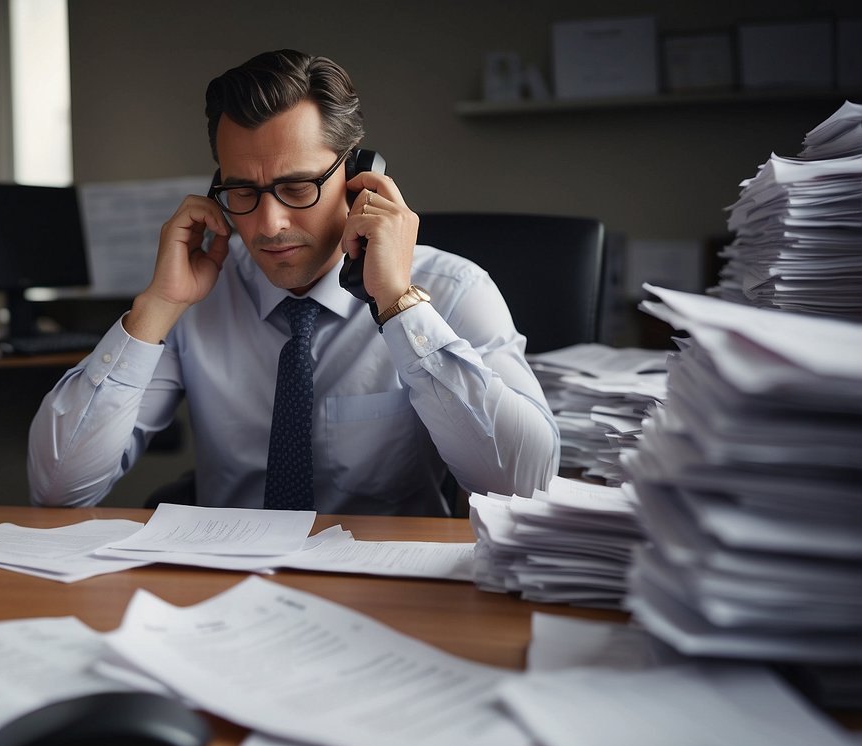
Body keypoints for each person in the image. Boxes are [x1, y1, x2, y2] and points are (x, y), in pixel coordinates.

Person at [28, 48, 558, 515]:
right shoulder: (196, 297)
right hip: (221, 579)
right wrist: (157, 307)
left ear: (358, 178)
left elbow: (524, 484)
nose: (269, 223)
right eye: (242, 191)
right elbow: (58, 490)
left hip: (387, 592)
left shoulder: (455, 289)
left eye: (298, 186)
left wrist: (398, 304)